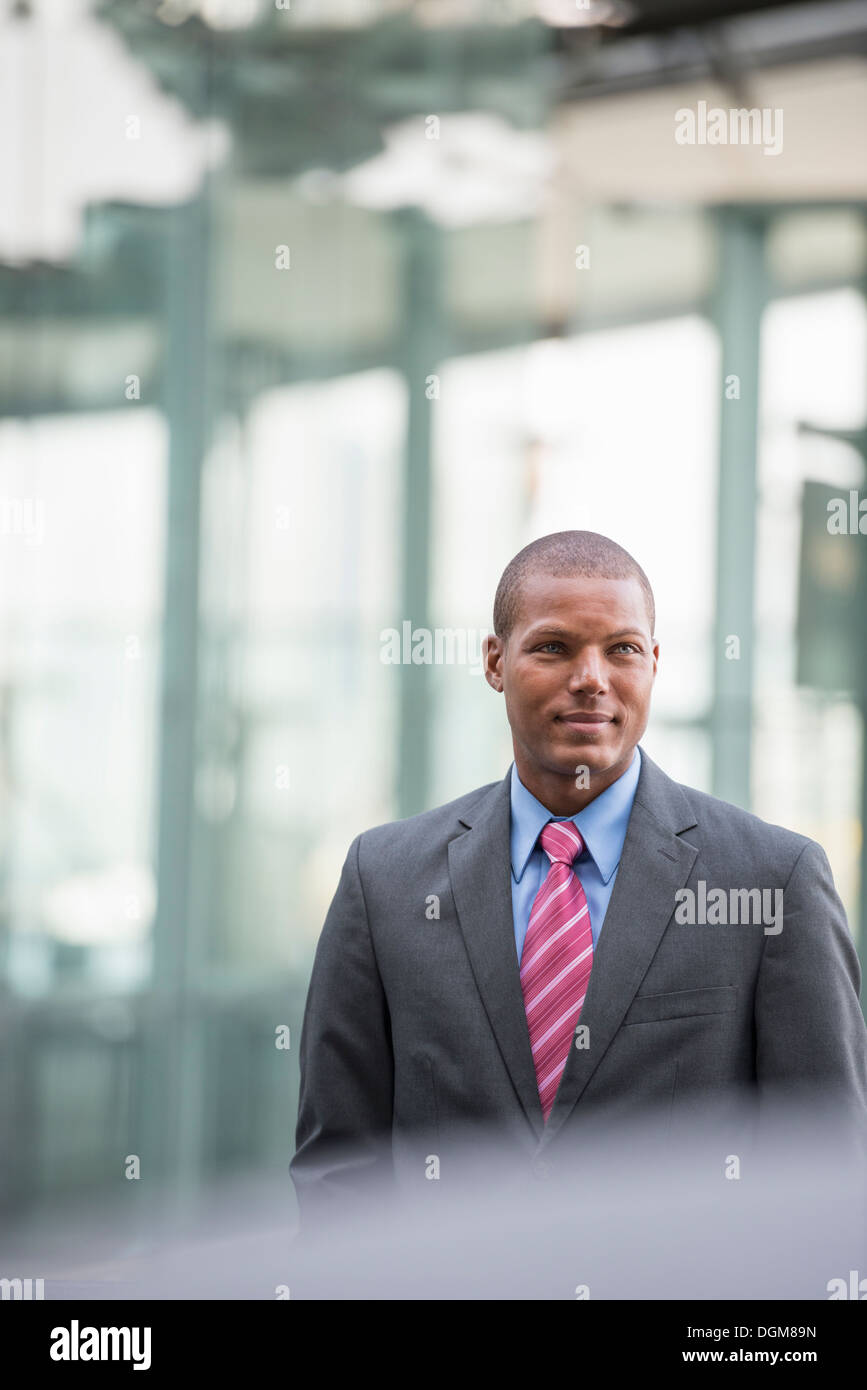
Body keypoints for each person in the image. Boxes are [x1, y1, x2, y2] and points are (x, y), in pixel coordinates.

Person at [290, 530, 867, 1228]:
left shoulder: (772, 881)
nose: (591, 676)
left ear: (653, 663)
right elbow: (338, 1170)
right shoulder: (381, 880)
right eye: (553, 647)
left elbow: (822, 1177)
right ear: (495, 663)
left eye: (621, 649)